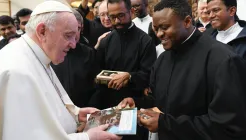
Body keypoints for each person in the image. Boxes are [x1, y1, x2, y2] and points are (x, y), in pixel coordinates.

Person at [119, 0, 246, 139]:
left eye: (165, 27)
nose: (159, 34)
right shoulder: (162, 59)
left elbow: (228, 126)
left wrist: (165, 124)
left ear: (186, 22)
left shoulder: (224, 60)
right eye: (156, 29)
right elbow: (159, 99)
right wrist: (137, 103)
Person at [0, 1, 122, 140]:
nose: (74, 45)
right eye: (68, 36)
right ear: (42, 31)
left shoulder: (36, 55)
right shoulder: (16, 72)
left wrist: (75, 113)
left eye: (76, 36)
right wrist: (87, 137)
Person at [91, 0, 156, 139]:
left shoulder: (145, 41)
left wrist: (130, 76)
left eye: (121, 16)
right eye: (112, 17)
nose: (116, 21)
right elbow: (96, 72)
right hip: (108, 108)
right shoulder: (106, 41)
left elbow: (149, 75)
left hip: (134, 107)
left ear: (131, 12)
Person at [52, 9, 106, 107]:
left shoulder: (89, 53)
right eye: (70, 30)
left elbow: (98, 86)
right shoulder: (50, 53)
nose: (75, 33)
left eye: (78, 28)